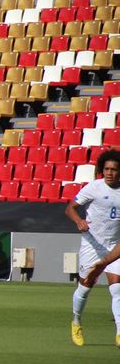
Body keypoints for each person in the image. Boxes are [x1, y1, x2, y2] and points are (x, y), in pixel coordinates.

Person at [66, 149, 120, 348]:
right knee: (86, 286)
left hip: (114, 245)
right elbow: (70, 208)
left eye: (114, 169)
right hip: (92, 244)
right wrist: (79, 220)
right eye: (106, 169)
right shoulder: (94, 188)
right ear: (101, 170)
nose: (109, 173)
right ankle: (76, 321)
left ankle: (119, 333)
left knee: (117, 288)